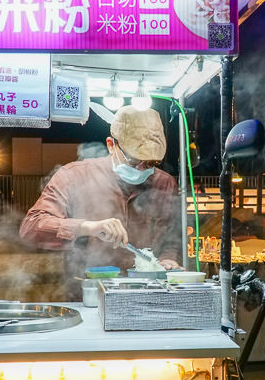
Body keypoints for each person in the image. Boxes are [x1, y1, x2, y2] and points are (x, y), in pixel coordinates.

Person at [19, 106, 181, 299]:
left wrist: (168, 259)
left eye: (151, 163)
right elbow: (30, 228)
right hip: (87, 295)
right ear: (112, 145)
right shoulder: (74, 176)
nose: (142, 168)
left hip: (147, 294)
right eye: (134, 160)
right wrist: (86, 227)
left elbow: (172, 236)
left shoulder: (164, 183)